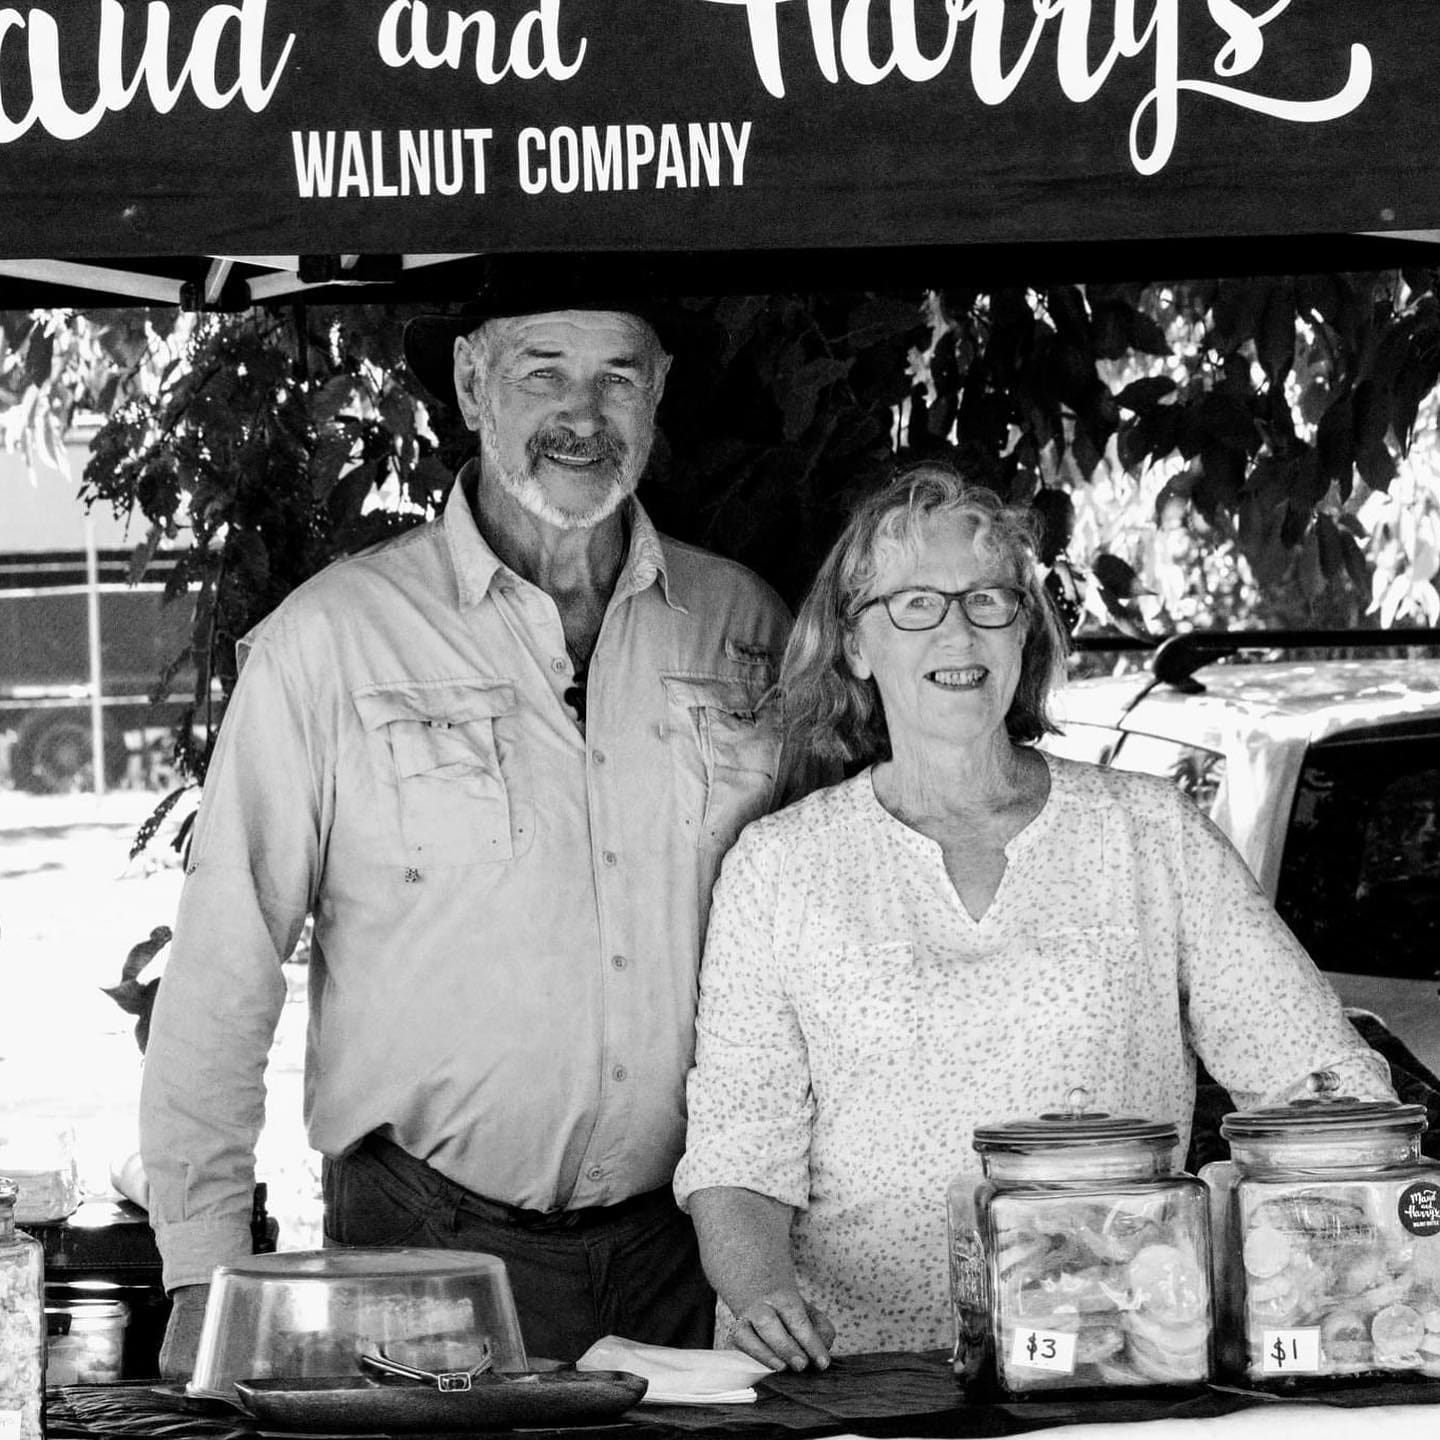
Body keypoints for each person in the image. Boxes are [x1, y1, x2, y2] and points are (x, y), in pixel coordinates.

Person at [139, 262, 796, 1374]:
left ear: (660, 393)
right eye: (544, 370)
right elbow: (223, 963)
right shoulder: (334, 640)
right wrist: (203, 1267)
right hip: (422, 1255)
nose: (582, 416)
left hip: (694, 1258)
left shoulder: (740, 625)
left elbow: (821, 935)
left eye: (618, 377)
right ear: (472, 381)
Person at [672, 460, 1396, 1370]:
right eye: (915, 604)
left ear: (1026, 630)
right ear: (854, 645)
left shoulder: (1148, 832)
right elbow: (740, 1143)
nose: (959, 627)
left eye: (989, 599)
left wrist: (1236, 1213)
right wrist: (759, 1295)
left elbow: (1314, 1078)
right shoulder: (781, 864)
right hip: (861, 1374)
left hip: (1118, 1357)